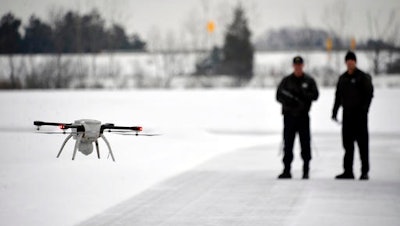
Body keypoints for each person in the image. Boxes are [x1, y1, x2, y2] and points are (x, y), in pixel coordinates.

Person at [332, 51, 374, 180]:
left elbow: (369, 94)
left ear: (355, 62)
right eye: (348, 60)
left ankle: (364, 171)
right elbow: (338, 96)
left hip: (360, 116)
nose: (350, 62)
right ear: (346, 62)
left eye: (352, 60)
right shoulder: (343, 78)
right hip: (347, 116)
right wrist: (334, 111)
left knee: (362, 145)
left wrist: (364, 110)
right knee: (347, 145)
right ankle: (348, 171)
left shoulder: (362, 77)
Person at [276, 56, 319, 179]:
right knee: (288, 144)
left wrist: (304, 96)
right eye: (296, 65)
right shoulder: (286, 81)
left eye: (300, 65)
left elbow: (315, 95)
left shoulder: (309, 81)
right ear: (293, 66)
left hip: (303, 117)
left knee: (305, 143)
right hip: (289, 117)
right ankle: (286, 170)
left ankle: (306, 170)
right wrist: (290, 101)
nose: (298, 67)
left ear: (303, 66)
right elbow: (278, 96)